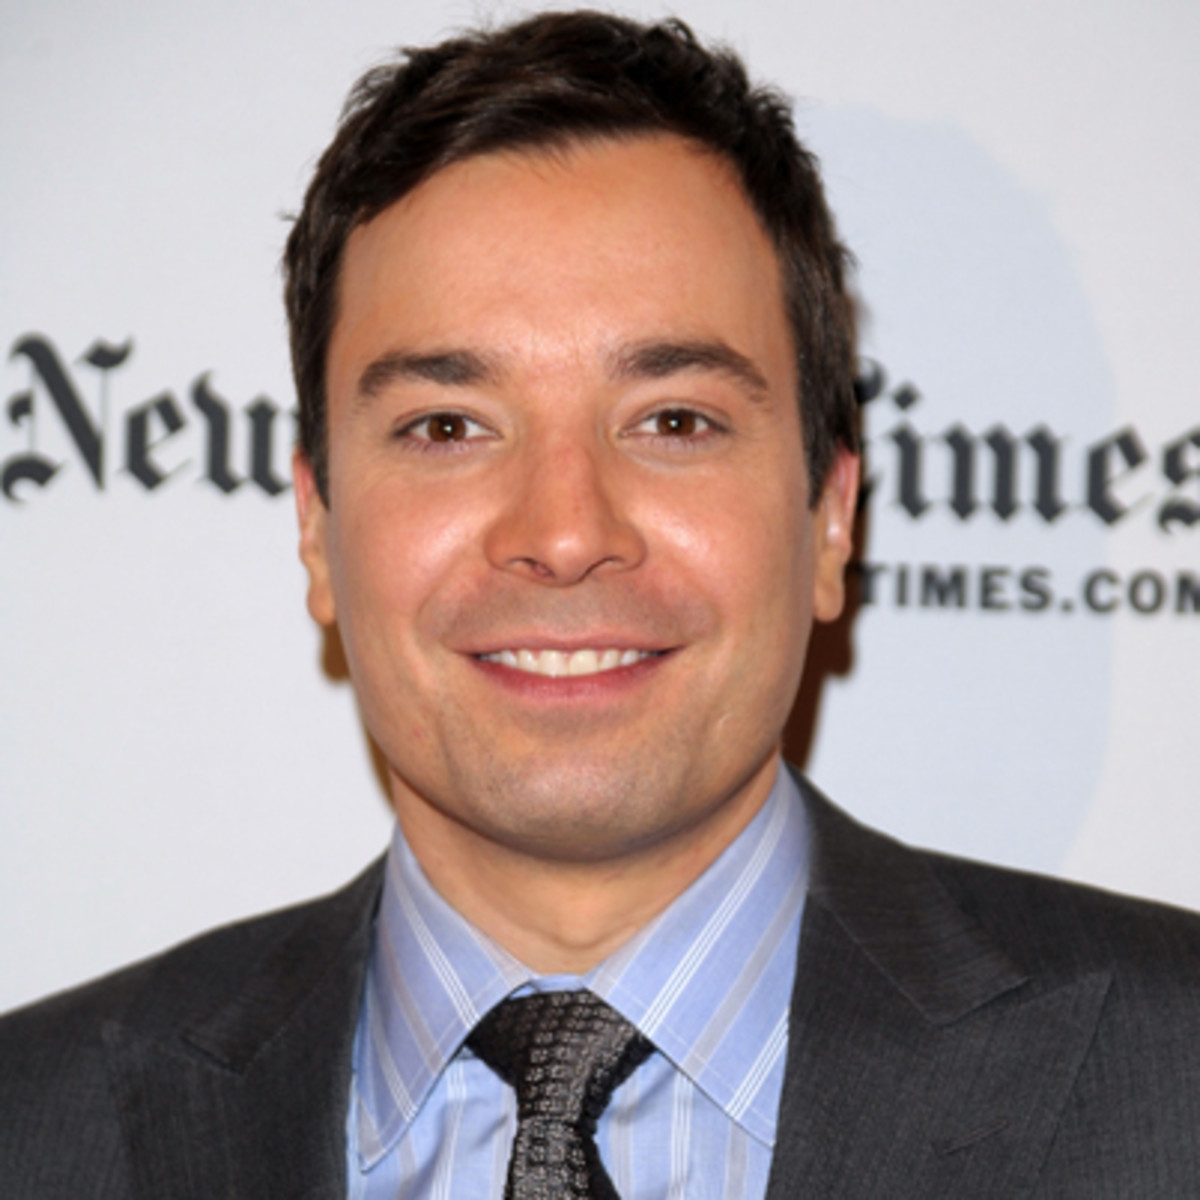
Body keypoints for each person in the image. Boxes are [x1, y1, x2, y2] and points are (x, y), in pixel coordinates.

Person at [3, 11, 1199, 1198]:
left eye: (673, 421)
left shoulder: (1174, 1074)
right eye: (448, 427)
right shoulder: (34, 1130)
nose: (566, 534)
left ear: (832, 516)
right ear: (316, 524)